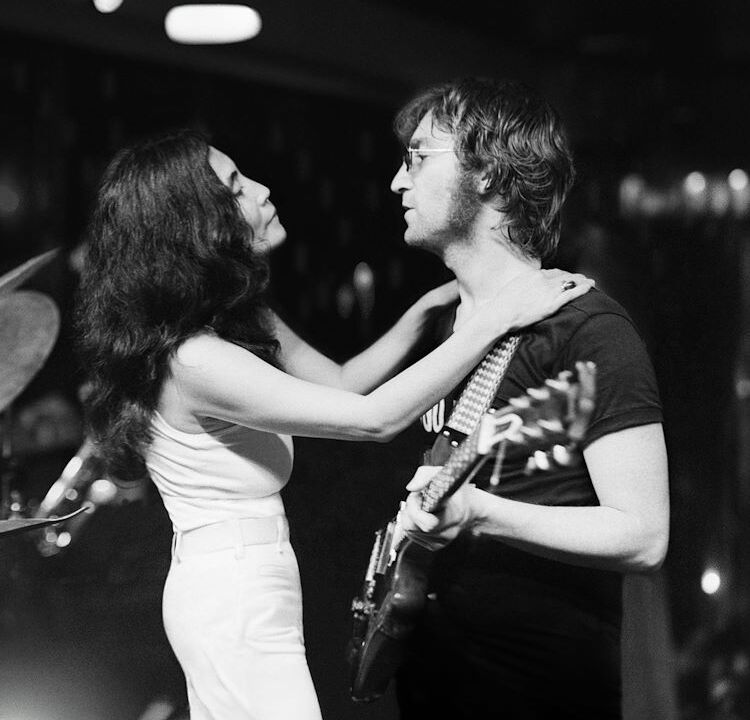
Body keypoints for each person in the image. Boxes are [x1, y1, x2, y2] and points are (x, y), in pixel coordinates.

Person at [74, 129, 590, 720]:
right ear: (195, 225)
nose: (263, 190)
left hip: (249, 577)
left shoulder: (234, 322)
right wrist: (496, 319)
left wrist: (427, 309)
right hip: (230, 593)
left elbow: (342, 383)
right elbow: (373, 420)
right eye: (237, 187)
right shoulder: (195, 361)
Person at [392, 78, 669, 719]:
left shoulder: (587, 329)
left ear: (489, 174)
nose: (398, 182)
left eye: (419, 157)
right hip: (438, 679)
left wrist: (481, 512)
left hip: (540, 692)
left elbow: (645, 535)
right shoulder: (446, 328)